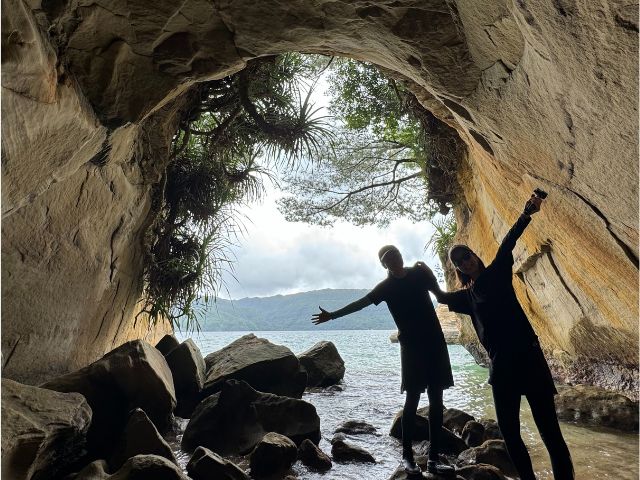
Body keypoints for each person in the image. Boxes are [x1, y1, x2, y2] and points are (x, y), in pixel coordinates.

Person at [420, 194, 574, 480]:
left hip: (530, 360)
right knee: (510, 434)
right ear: (458, 269)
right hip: (501, 370)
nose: (465, 261)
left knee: (550, 433)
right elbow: (441, 296)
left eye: (466, 255)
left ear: (475, 255)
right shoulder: (467, 298)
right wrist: (425, 275)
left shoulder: (498, 272)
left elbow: (509, 241)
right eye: (459, 261)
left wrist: (528, 211)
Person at [312, 246, 455, 476]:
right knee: (412, 400)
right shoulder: (386, 287)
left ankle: (433, 459)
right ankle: (407, 457)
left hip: (434, 342)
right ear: (384, 265)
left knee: (437, 400)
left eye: (396, 254)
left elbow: (440, 295)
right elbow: (360, 304)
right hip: (412, 347)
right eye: (389, 259)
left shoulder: (419, 273)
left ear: (401, 255)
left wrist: (432, 274)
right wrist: (332, 316)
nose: (395, 259)